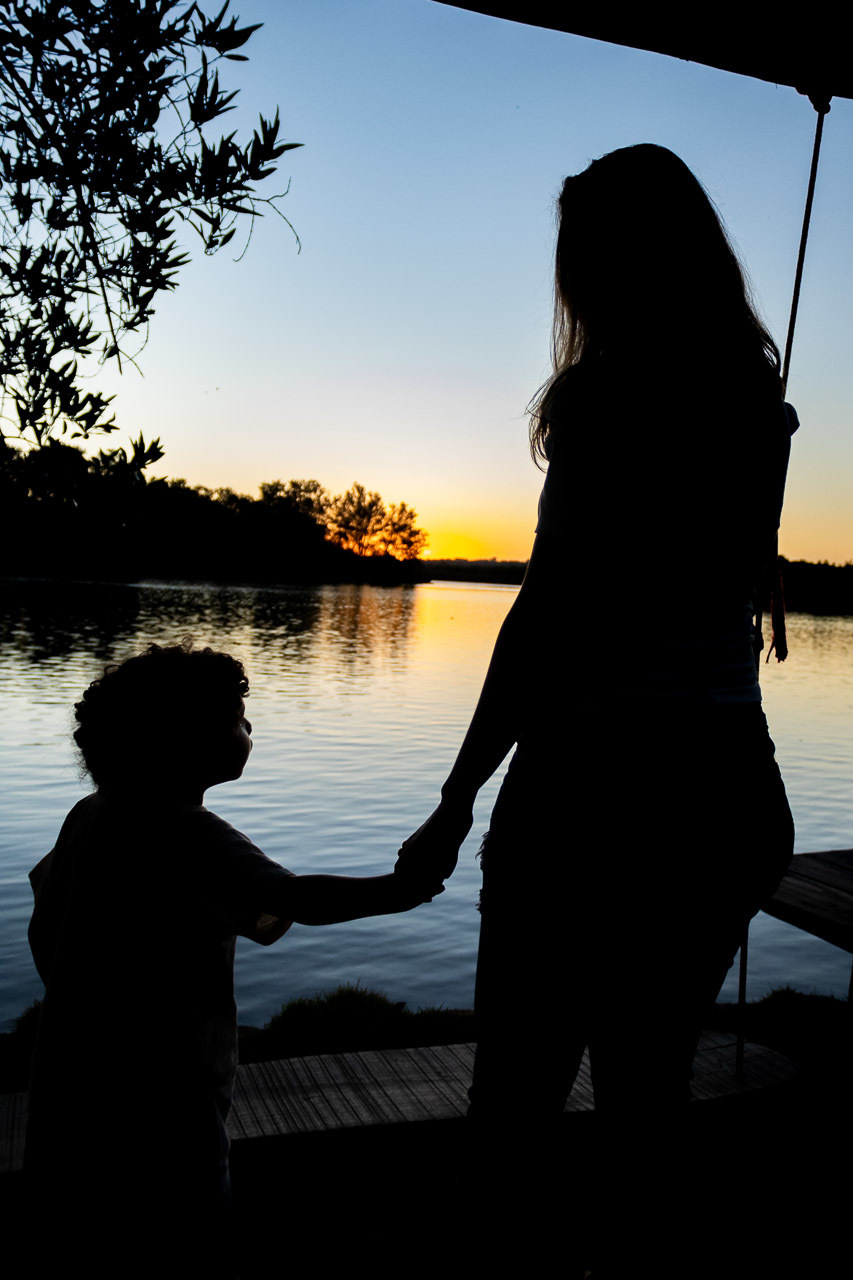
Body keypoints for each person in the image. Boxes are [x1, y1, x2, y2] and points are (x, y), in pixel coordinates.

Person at [395, 144, 795, 1271]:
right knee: (644, 1100)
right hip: (726, 793)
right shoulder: (759, 408)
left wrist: (455, 795)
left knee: (515, 1107)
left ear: (616, 261)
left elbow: (548, 622)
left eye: (581, 255)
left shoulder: (612, 400)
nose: (569, 282)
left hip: (595, 795)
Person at [25, 640, 441, 1278]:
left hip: (74, 1067)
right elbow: (292, 898)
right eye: (236, 716)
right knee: (182, 1227)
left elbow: (46, 906)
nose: (249, 728)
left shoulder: (91, 814)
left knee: (82, 1227)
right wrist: (398, 891)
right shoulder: (191, 834)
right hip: (166, 1084)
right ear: (183, 739)